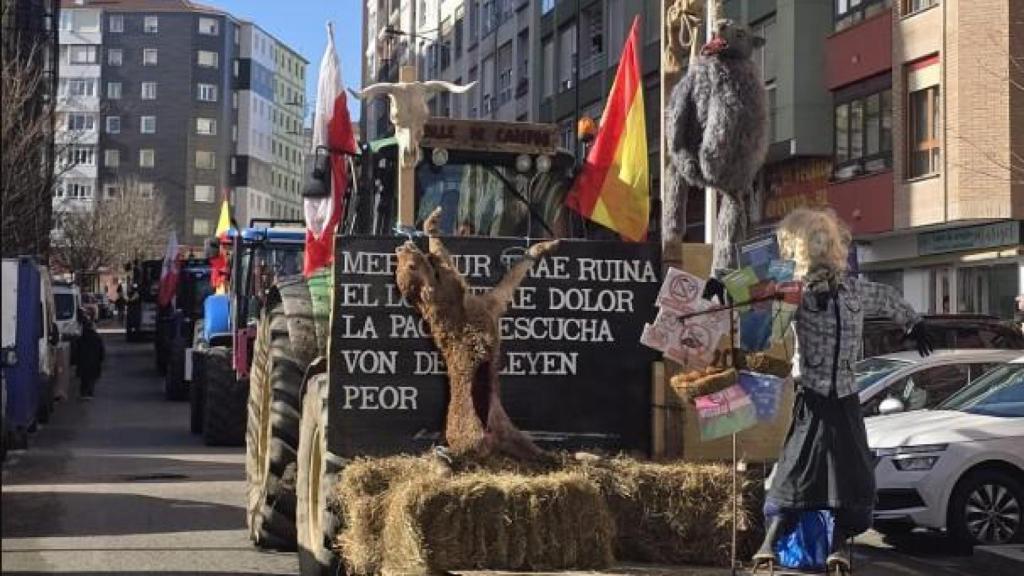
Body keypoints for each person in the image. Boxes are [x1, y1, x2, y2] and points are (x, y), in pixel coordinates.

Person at [750, 208, 932, 574]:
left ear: (834, 245)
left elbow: (887, 298)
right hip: (813, 399)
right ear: (802, 248)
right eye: (812, 241)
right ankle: (768, 544)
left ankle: (837, 548)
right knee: (797, 471)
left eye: (825, 239)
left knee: (851, 479)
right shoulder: (794, 291)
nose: (820, 246)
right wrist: (730, 292)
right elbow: (760, 318)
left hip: (846, 398)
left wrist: (914, 322)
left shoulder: (855, 290)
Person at [75, 316, 105, 399]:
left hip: (83, 362)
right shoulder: (97, 338)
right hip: (94, 362)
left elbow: (76, 351)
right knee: (92, 378)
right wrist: (101, 359)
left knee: (84, 378)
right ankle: (89, 392)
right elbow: (101, 350)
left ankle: (84, 393)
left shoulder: (81, 338)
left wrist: (76, 361)